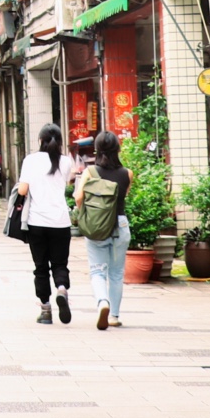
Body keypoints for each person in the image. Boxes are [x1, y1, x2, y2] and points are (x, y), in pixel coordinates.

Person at [15, 123, 76, 324]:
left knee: (41, 267)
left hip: (37, 222)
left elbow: (23, 191)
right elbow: (68, 182)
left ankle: (46, 310)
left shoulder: (30, 160)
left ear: (40, 140)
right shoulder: (66, 161)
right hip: (61, 222)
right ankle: (61, 289)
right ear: (59, 141)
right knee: (60, 263)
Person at [75, 130, 133, 330]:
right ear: (118, 148)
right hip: (121, 224)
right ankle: (114, 316)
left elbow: (78, 197)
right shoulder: (127, 173)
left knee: (98, 271)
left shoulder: (90, 172)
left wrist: (88, 216)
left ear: (97, 150)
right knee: (116, 273)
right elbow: (123, 195)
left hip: (98, 226)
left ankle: (102, 302)